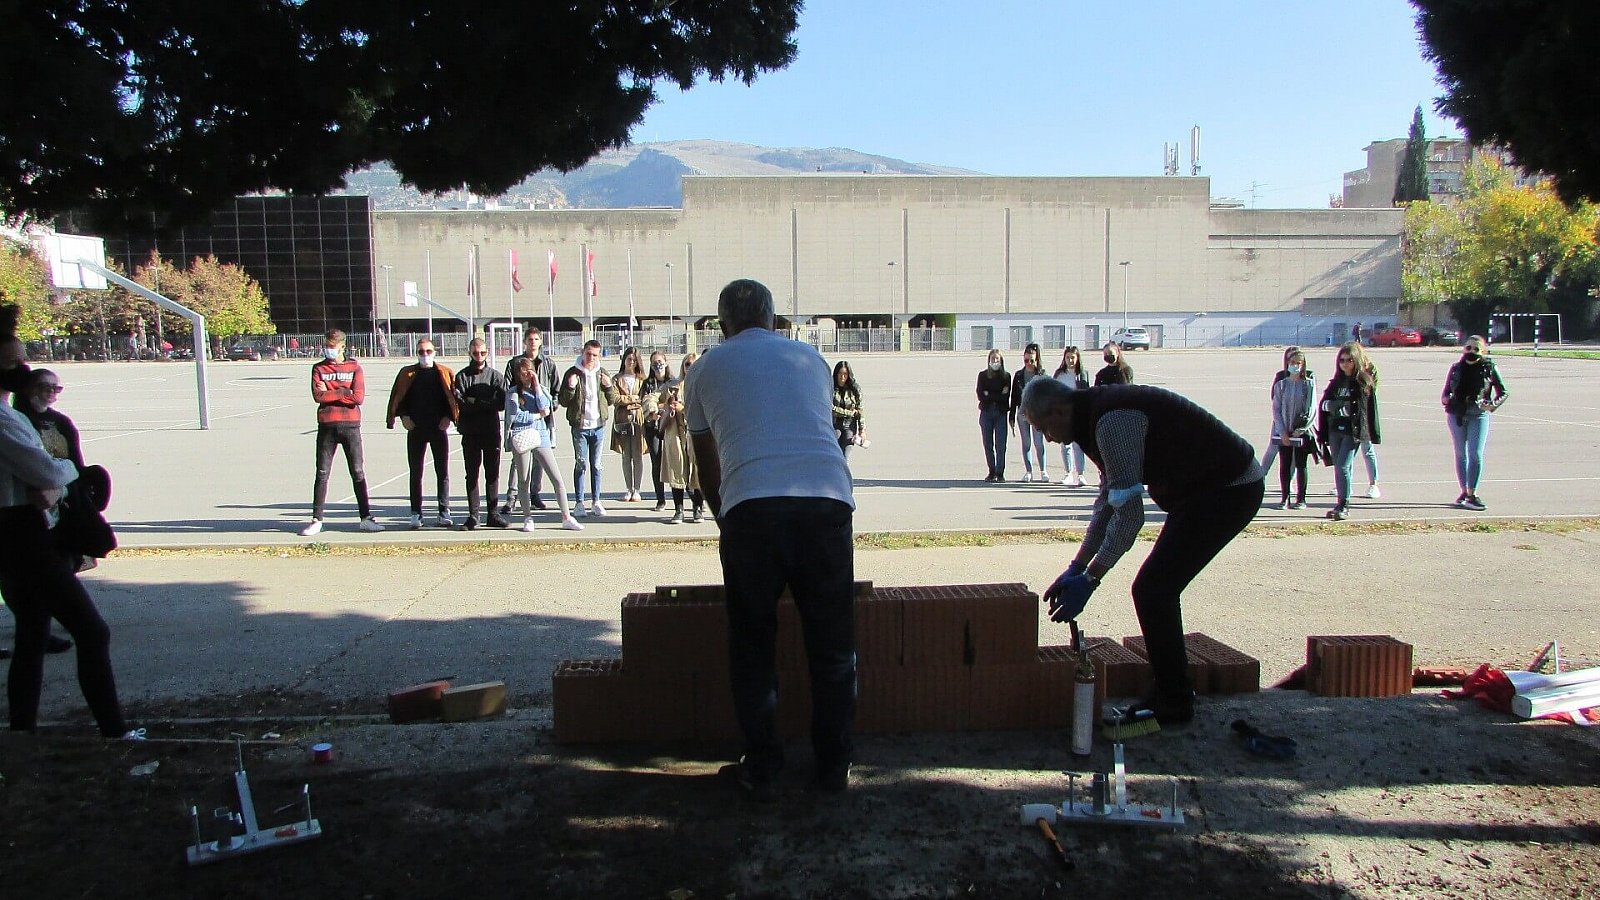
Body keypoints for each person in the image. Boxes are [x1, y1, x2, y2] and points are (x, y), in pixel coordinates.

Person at [686, 279, 857, 799]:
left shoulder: (705, 369)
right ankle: (834, 767)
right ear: (773, 319)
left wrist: (725, 518)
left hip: (752, 506)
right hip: (827, 499)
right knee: (832, 645)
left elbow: (707, 464)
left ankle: (762, 767)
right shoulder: (811, 360)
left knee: (753, 645)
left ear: (723, 325)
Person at [1021, 377, 1265, 727]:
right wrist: (1077, 565)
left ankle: (1174, 701)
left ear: (1059, 411)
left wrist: (1091, 578)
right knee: (1155, 588)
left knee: (1154, 589)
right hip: (1200, 491)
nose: (1047, 438)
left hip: (1230, 488)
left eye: (1044, 427)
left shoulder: (1111, 421)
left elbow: (1131, 516)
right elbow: (1108, 503)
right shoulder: (1091, 418)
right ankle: (1170, 690)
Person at [0, 305, 141, 740]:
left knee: (32, 634)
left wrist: (55, 482)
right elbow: (49, 469)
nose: (22, 369)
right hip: (23, 534)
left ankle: (22, 728)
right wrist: (65, 477)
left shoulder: (12, 414)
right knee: (91, 631)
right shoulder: (4, 420)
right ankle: (113, 729)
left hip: (20, 531)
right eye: (12, 362)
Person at [9, 368, 85, 653]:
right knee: (26, 577)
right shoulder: (16, 421)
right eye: (45, 387)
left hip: (60, 501)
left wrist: (72, 487)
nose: (52, 393)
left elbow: (75, 461)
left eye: (56, 388)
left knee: (66, 559)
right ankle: (39, 626)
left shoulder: (60, 422)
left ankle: (47, 621)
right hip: (28, 509)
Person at [301, 330, 383, 536]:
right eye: (326, 345)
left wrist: (332, 391)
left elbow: (358, 397)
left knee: (357, 472)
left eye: (332, 346)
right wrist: (343, 391)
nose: (328, 349)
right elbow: (318, 396)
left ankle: (366, 518)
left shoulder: (354, 367)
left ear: (342, 347)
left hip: (351, 425)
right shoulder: (319, 368)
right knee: (322, 472)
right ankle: (317, 519)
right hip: (327, 425)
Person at [386, 338, 458, 529]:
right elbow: (398, 398)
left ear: (435, 352)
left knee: (442, 472)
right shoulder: (407, 373)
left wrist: (448, 417)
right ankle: (416, 513)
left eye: (428, 351)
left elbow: (452, 398)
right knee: (416, 472)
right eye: (421, 352)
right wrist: (403, 417)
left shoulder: (444, 372)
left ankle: (444, 511)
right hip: (416, 429)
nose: (425, 355)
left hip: (438, 429)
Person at [505, 357, 582, 531]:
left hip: (540, 435)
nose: (526, 375)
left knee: (556, 478)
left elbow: (546, 406)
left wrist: (537, 386)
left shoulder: (542, 389)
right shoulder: (513, 393)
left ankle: (566, 517)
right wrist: (537, 415)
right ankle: (527, 517)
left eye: (529, 371)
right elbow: (516, 416)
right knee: (523, 479)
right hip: (522, 436)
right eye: (522, 373)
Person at [1442, 335, 1507, 511]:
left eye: (1476, 349)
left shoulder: (1489, 368)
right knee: (1460, 453)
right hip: (1457, 414)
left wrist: (1492, 405)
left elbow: (1503, 392)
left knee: (1475, 454)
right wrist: (1446, 399)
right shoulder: (1456, 368)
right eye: (1468, 348)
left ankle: (1472, 493)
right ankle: (1463, 492)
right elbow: (1446, 391)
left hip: (1478, 415)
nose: (1471, 351)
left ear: (1483, 352)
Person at [1316, 342, 1380, 522]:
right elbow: (1325, 405)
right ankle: (1341, 501)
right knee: (1338, 465)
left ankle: (1344, 505)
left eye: (1349, 360)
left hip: (1352, 431)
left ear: (1356, 361)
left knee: (1343, 465)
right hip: (1334, 429)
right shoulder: (1336, 382)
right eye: (1342, 360)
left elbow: (1359, 410)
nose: (1345, 364)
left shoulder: (1361, 382)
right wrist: (1335, 407)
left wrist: (1338, 408)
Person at [501, 326, 560, 514]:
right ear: (525, 342)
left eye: (536, 339)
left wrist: (551, 406)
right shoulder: (514, 363)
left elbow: (555, 389)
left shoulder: (548, 364)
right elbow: (507, 387)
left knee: (539, 460)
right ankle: (512, 498)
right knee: (518, 462)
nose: (533, 342)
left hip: (542, 420)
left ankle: (535, 495)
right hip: (522, 422)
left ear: (540, 341)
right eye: (530, 339)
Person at [453, 338, 510, 530]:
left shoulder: (495, 376)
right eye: (475, 353)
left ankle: (493, 514)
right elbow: (462, 404)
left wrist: (476, 402)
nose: (479, 356)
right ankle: (473, 515)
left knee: (492, 474)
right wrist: (484, 403)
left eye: (483, 353)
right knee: (472, 474)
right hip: (470, 432)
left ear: (487, 352)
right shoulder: (462, 377)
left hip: (491, 431)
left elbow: (501, 404)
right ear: (469, 352)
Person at [557, 340, 617, 517]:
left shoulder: (602, 373)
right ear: (583, 352)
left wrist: (608, 386)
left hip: (598, 426)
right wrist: (570, 387)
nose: (591, 358)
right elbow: (563, 401)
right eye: (589, 354)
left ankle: (596, 501)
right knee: (581, 464)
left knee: (596, 465)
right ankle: (579, 503)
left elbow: (612, 400)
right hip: (580, 427)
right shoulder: (572, 372)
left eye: (595, 355)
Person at [651, 354, 704, 523]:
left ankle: (697, 508)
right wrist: (654, 410)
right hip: (675, 432)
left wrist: (683, 408)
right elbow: (651, 397)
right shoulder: (672, 385)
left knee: (697, 470)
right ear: (683, 366)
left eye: (693, 364)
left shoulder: (704, 385)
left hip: (696, 432)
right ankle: (678, 510)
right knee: (677, 468)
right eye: (687, 364)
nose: (690, 367)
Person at [1269, 349, 1317, 510]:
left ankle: (1301, 498)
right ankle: (1285, 498)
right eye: (1292, 363)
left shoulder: (1308, 384)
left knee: (1301, 465)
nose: (1295, 366)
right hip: (1284, 431)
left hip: (1301, 432)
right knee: (1285, 464)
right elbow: (1276, 409)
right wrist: (1282, 431)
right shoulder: (1281, 385)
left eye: (1298, 363)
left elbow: (1311, 409)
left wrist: (1301, 429)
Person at [610, 346, 648, 502]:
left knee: (637, 455)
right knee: (626, 455)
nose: (631, 362)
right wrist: (632, 399)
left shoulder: (642, 379)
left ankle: (637, 489)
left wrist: (630, 400)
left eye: (634, 360)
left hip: (639, 420)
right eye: (629, 359)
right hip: (622, 419)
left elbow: (645, 398)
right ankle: (628, 489)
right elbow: (614, 398)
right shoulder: (616, 379)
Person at [642, 351, 677, 510]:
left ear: (666, 362)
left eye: (660, 361)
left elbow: (675, 402)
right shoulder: (647, 384)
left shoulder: (673, 382)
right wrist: (653, 411)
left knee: (674, 461)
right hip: (652, 428)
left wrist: (660, 406)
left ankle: (679, 499)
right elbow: (644, 402)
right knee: (656, 462)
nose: (658, 365)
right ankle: (660, 499)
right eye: (654, 363)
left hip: (671, 426)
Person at [1052, 346, 1092, 486]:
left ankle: (1080, 474)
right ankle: (1068, 473)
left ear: (1077, 358)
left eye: (1072, 357)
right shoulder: (1059, 374)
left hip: (1077, 414)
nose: (1070, 360)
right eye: (1068, 357)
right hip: (1063, 414)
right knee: (1065, 445)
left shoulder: (1082, 374)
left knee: (1078, 445)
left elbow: (1087, 394)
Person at [1009, 344, 1048, 483]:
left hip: (1037, 415)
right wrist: (1012, 416)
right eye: (1026, 360)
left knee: (1038, 443)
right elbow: (1014, 396)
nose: (1029, 363)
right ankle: (1029, 471)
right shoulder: (1019, 375)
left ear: (1037, 360)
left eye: (1032, 360)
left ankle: (1043, 471)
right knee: (1026, 443)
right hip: (1022, 414)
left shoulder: (1042, 375)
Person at [977, 349, 1010, 482]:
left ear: (1001, 361)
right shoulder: (983, 376)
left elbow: (1005, 396)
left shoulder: (1006, 377)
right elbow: (980, 394)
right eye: (992, 359)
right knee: (988, 443)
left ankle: (1000, 472)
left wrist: (989, 394)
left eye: (997, 359)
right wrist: (996, 395)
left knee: (1000, 445)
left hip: (1001, 413)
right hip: (986, 412)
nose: (995, 361)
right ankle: (991, 471)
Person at [831, 360, 865, 460]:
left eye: (845, 374)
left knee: (845, 455)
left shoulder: (854, 389)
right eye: (840, 374)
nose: (842, 377)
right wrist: (849, 413)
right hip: (835, 424)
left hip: (850, 426)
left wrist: (862, 431)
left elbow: (860, 410)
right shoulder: (831, 389)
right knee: (835, 453)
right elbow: (831, 409)